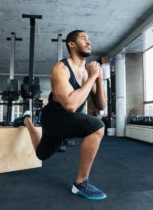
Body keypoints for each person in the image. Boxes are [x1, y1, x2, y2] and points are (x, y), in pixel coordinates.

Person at [14, 30, 107, 200]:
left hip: (68, 121)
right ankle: (80, 183)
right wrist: (92, 76)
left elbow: (101, 105)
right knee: (97, 126)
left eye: (89, 39)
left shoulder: (88, 73)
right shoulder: (61, 68)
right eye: (83, 38)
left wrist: (98, 79)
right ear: (71, 44)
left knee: (42, 154)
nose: (88, 42)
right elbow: (71, 105)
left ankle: (26, 120)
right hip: (53, 118)